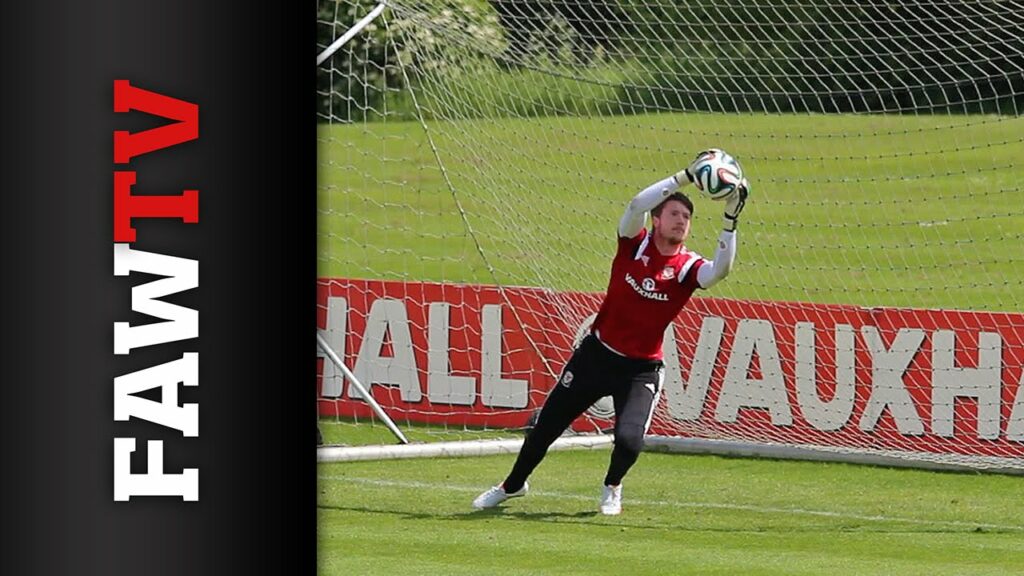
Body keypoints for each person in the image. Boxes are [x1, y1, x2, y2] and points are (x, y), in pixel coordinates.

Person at [472, 153, 749, 515]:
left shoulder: (687, 267)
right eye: (675, 215)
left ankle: (612, 486)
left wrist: (730, 219)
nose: (682, 222)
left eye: (687, 218)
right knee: (545, 428)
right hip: (596, 355)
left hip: (641, 369)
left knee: (630, 440)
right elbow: (635, 203)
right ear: (656, 220)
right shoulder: (633, 244)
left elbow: (720, 272)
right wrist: (684, 176)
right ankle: (511, 486)